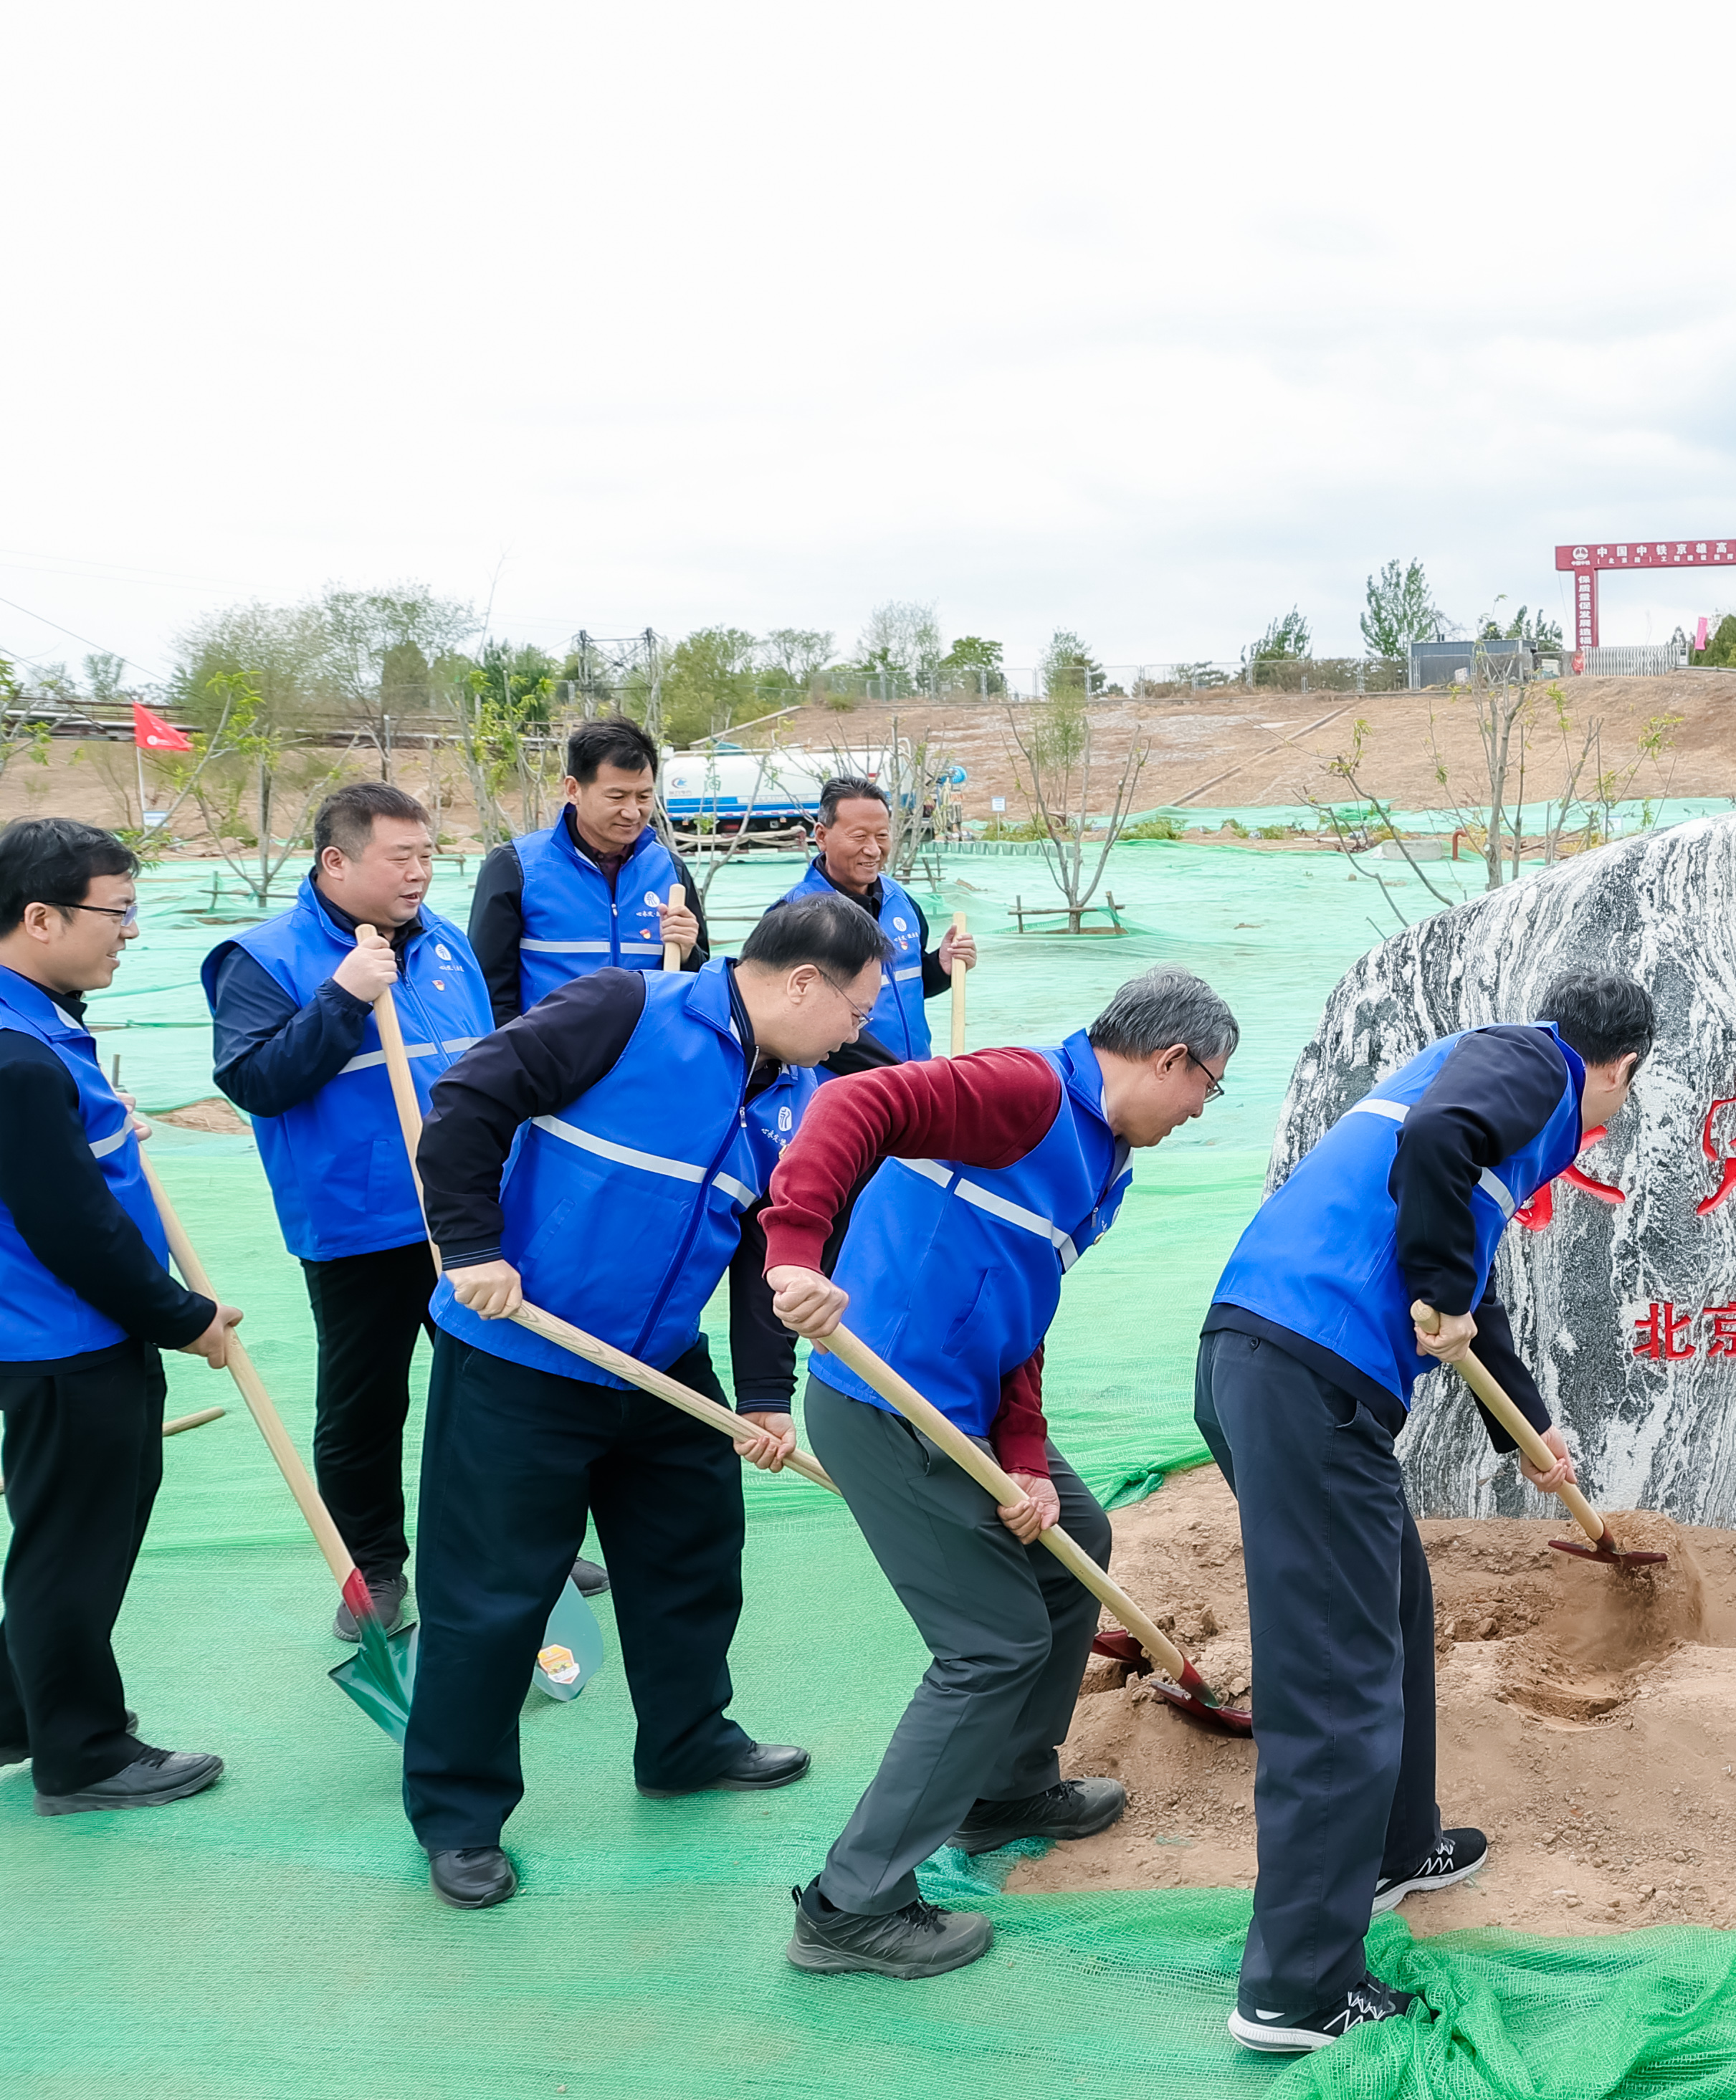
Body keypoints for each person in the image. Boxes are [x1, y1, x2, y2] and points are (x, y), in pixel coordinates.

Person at [403, 892, 890, 1910]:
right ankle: (458, 1816)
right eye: (856, 1010)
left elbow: (769, 1245)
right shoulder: (625, 1011)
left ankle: (686, 1742)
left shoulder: (796, 1092)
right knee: (489, 1596)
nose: (860, 1032)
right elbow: (467, 1099)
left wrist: (764, 1393)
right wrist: (473, 1244)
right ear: (803, 983)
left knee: (691, 1559)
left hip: (664, 1365)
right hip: (524, 1352)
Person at [1195, 974, 1651, 2054]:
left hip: (1279, 1366)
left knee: (1392, 1610)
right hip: (1306, 1374)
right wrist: (1445, 1286)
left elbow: (1464, 1297)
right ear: (1619, 1069)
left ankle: (1399, 1849)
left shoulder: (1486, 1107)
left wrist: (1529, 1432)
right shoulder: (1528, 1065)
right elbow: (1440, 1167)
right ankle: (1295, 1988)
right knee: (1337, 1685)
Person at [759, 966, 1240, 1980]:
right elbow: (858, 1099)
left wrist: (1026, 1461)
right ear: (1171, 1059)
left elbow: (1019, 1317)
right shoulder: (1026, 1094)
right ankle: (852, 1902)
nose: (1203, 1108)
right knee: (991, 1645)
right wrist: (796, 1250)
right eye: (1210, 1086)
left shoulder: (1103, 1162)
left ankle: (1007, 1791)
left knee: (1078, 1547)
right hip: (887, 1405)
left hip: (973, 1411)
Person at [202, 782, 520, 1641]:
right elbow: (256, 1084)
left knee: (496, 1386)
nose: (421, 873)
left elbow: (488, 1068)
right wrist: (343, 996)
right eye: (401, 858)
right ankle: (374, 1568)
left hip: (465, 1211)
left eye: (427, 855)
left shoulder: (446, 943)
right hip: (360, 1222)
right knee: (365, 1404)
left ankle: (519, 1544)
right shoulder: (264, 959)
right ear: (336, 862)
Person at [0, 818, 238, 1817]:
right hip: (66, 1344)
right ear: (40, 916)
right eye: (117, 911)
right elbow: (76, 1231)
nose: (132, 932)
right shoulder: (18, 1059)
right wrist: (184, 1317)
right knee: (72, 1551)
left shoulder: (41, 1026)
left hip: (62, 1338)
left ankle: (18, 1718)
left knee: (55, 1538)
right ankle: (84, 1753)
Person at [469, 716, 710, 1023]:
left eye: (644, 796)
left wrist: (690, 955)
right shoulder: (516, 867)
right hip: (550, 1064)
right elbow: (488, 991)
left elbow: (700, 982)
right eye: (617, 796)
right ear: (573, 789)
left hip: (644, 1061)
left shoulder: (670, 871)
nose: (633, 812)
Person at [778, 776, 975, 1061]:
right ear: (821, 836)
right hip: (845, 1091)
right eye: (859, 837)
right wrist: (895, 1076)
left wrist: (941, 967)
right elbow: (793, 1021)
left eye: (882, 836)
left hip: (910, 1081)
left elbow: (905, 986)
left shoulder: (901, 901)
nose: (873, 849)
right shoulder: (795, 916)